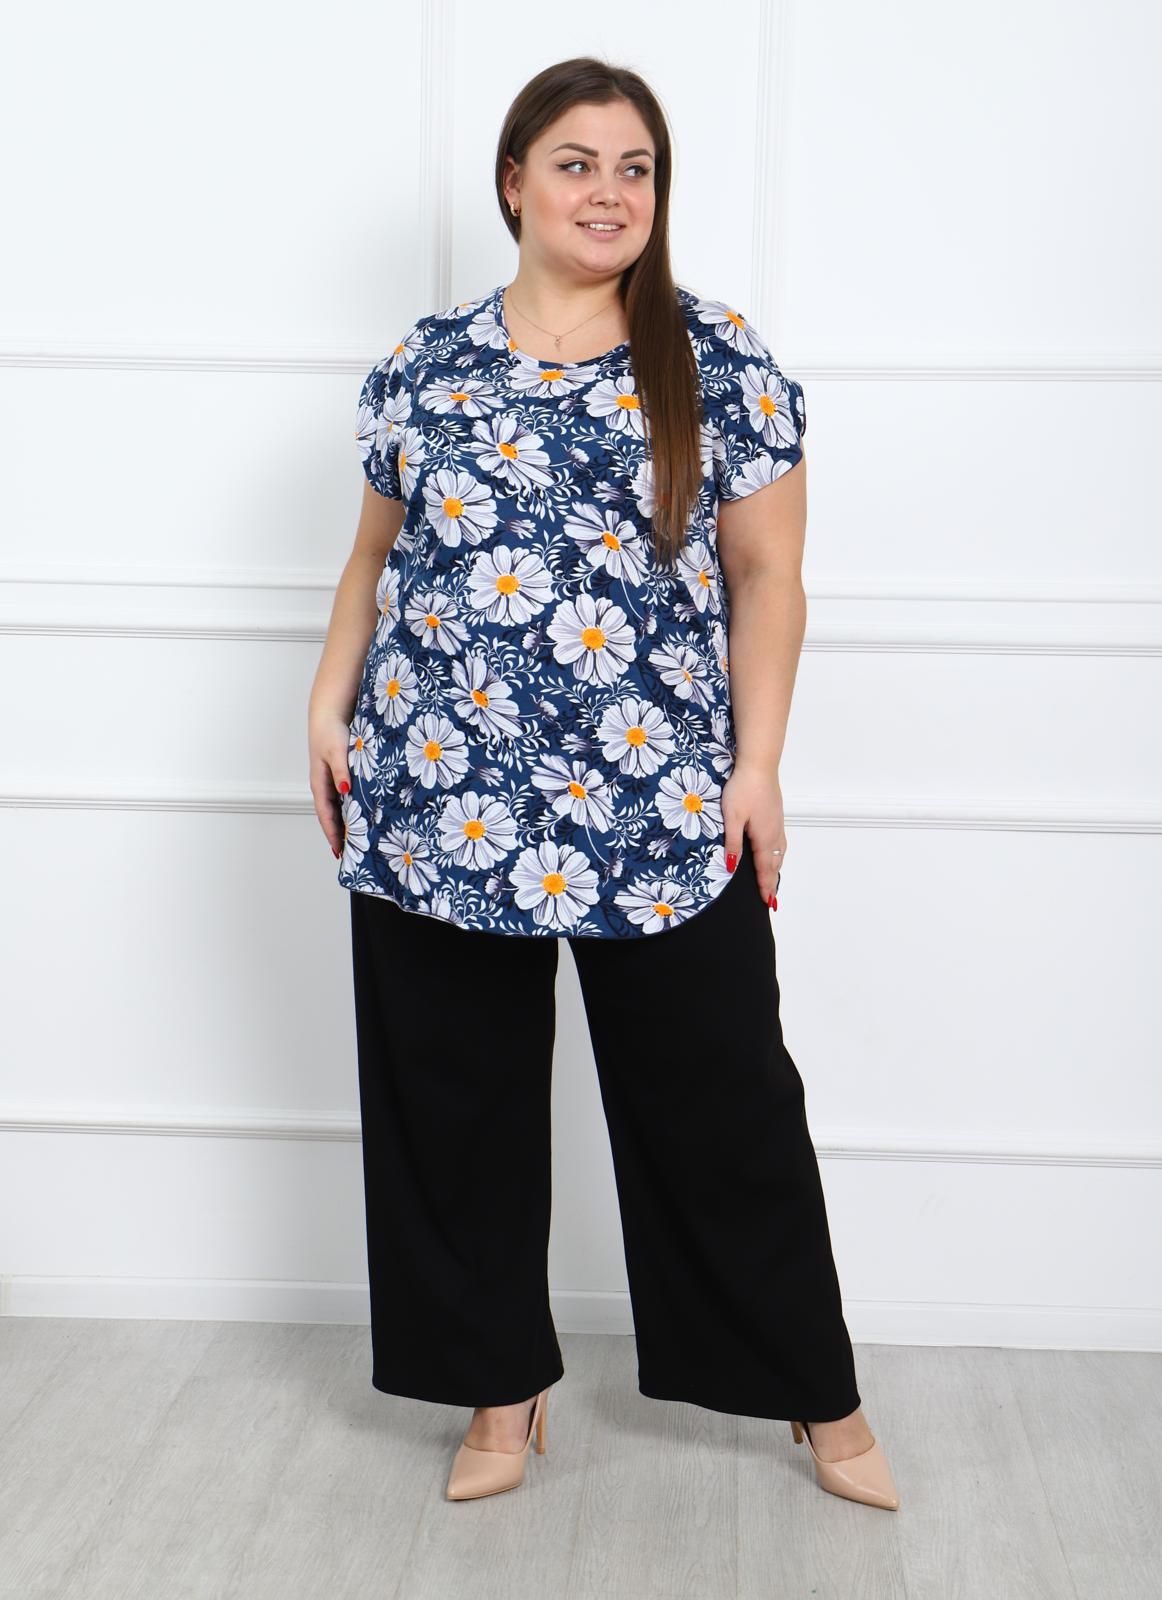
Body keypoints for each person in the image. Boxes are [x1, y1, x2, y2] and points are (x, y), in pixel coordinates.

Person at [307, 55, 899, 1513]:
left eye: (636, 168)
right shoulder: (429, 361)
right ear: (515, 183)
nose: (610, 192)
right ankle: (498, 1393)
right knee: (454, 1109)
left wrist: (759, 767)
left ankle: (819, 1400)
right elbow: (376, 556)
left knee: (725, 1106)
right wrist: (327, 704)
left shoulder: (717, 358)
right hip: (438, 791)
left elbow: (770, 579)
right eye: (577, 164)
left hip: (659, 804)